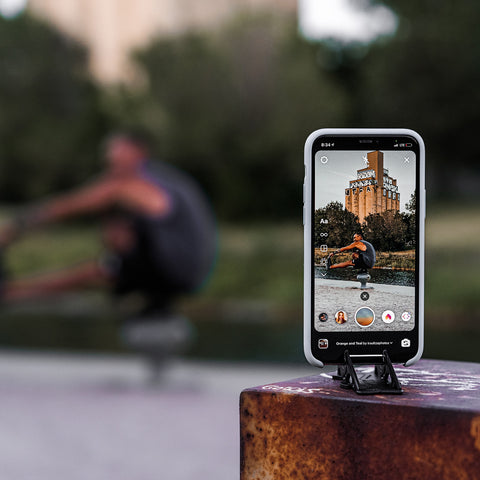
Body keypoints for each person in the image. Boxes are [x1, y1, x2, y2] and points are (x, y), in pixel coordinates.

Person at [0, 131, 217, 313]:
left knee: (97, 271)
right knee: (97, 270)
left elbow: (75, 204)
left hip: (178, 269)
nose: (108, 158)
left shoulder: (138, 183)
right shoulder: (162, 183)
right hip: (183, 270)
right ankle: (11, 293)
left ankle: (11, 292)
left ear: (138, 152)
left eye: (116, 151)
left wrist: (14, 228)